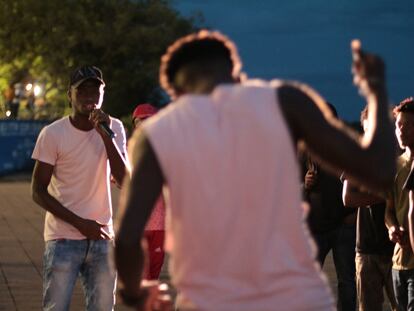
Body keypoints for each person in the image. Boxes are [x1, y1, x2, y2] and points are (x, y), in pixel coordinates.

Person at [115, 30, 396, 311]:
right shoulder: (286, 102)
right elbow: (379, 169)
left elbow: (128, 236)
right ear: (235, 72)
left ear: (177, 92)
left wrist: (136, 292)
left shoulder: (157, 134)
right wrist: (376, 90)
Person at [31, 65, 128, 311]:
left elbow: (124, 180)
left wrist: (106, 136)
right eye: (82, 90)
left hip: (103, 238)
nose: (89, 96)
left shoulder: (113, 128)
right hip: (62, 239)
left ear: (103, 95)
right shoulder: (53, 134)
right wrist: (80, 223)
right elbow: (38, 191)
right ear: (69, 95)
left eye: (95, 90)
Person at [302, 104, 357, 311]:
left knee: (346, 281)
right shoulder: (304, 149)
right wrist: (304, 184)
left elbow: (361, 181)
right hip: (315, 226)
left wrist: (355, 214)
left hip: (344, 225)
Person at [343, 106, 397, 311]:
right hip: (366, 248)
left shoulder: (401, 158)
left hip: (398, 248)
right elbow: (347, 198)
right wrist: (383, 196)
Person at [385, 97, 414, 311]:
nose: (400, 131)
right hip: (399, 263)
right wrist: (393, 228)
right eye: (398, 125)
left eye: (407, 125)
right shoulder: (394, 166)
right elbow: (389, 210)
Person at [132, 103, 166, 280]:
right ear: (135, 125)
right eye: (141, 121)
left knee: (153, 275)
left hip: (160, 226)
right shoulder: (127, 152)